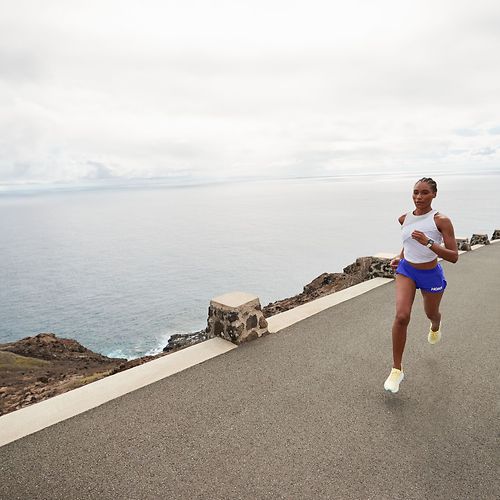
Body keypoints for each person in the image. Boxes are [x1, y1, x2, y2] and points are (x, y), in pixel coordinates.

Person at [384, 177, 458, 393]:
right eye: (416, 192)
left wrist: (428, 242)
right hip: (407, 270)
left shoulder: (441, 220)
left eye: (424, 192)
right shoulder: (404, 218)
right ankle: (396, 370)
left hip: (430, 274)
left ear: (434, 194)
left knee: (431, 313)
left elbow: (453, 256)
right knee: (402, 316)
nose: (419, 197)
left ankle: (436, 325)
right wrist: (400, 257)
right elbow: (407, 242)